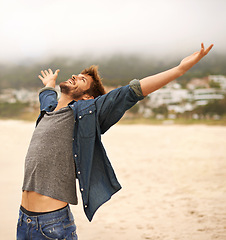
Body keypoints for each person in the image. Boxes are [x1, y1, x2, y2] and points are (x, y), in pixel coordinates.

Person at [17, 43, 213, 239]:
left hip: (52, 225)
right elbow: (47, 98)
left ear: (87, 97)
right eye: (77, 75)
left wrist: (180, 69)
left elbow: (132, 91)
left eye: (82, 79)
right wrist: (49, 84)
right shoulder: (48, 112)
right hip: (23, 219)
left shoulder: (86, 113)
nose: (75, 76)